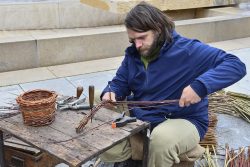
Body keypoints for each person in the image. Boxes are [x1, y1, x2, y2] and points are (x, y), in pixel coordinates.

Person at [99, 2, 246, 167]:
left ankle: (148, 152)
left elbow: (235, 65)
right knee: (97, 108)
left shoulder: (188, 50)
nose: (137, 45)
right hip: (142, 115)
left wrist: (200, 87)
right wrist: (110, 92)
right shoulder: (134, 54)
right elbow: (119, 82)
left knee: (162, 140)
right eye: (133, 40)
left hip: (182, 119)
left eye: (142, 38)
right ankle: (138, 154)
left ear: (158, 29)